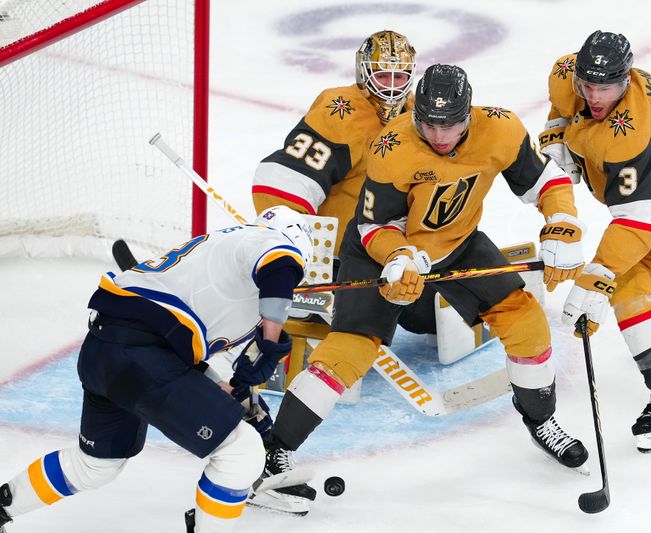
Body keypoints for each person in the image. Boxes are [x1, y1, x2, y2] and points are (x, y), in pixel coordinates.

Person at [253, 63, 592, 493]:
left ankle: (542, 422)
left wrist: (562, 221)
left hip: (457, 242)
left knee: (524, 318)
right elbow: (374, 225)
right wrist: (397, 258)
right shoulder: (392, 146)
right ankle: (276, 450)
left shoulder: (501, 129)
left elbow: (546, 179)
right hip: (382, 252)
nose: (438, 136)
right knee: (350, 350)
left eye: (449, 124)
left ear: (469, 112)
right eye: (428, 123)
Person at [0, 206, 314, 532]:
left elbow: (178, 349)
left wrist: (215, 384)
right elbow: (280, 266)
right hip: (140, 354)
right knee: (241, 452)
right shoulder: (271, 243)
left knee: (94, 465)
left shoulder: (218, 257)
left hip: (105, 348)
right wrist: (270, 339)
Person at [540, 30, 651, 452]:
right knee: (646, 273)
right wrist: (555, 136)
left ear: (626, 80)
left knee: (628, 279)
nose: (595, 96)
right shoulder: (566, 73)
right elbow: (559, 106)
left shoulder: (631, 132)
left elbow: (635, 222)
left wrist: (598, 275)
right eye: (588, 85)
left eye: (605, 87)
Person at [251, 29, 438, 336]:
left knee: (431, 311)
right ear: (365, 72)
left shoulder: (415, 116)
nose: (392, 88)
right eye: (383, 77)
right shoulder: (341, 111)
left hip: (392, 247)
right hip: (340, 259)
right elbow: (283, 181)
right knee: (366, 326)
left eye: (400, 77)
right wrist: (295, 262)